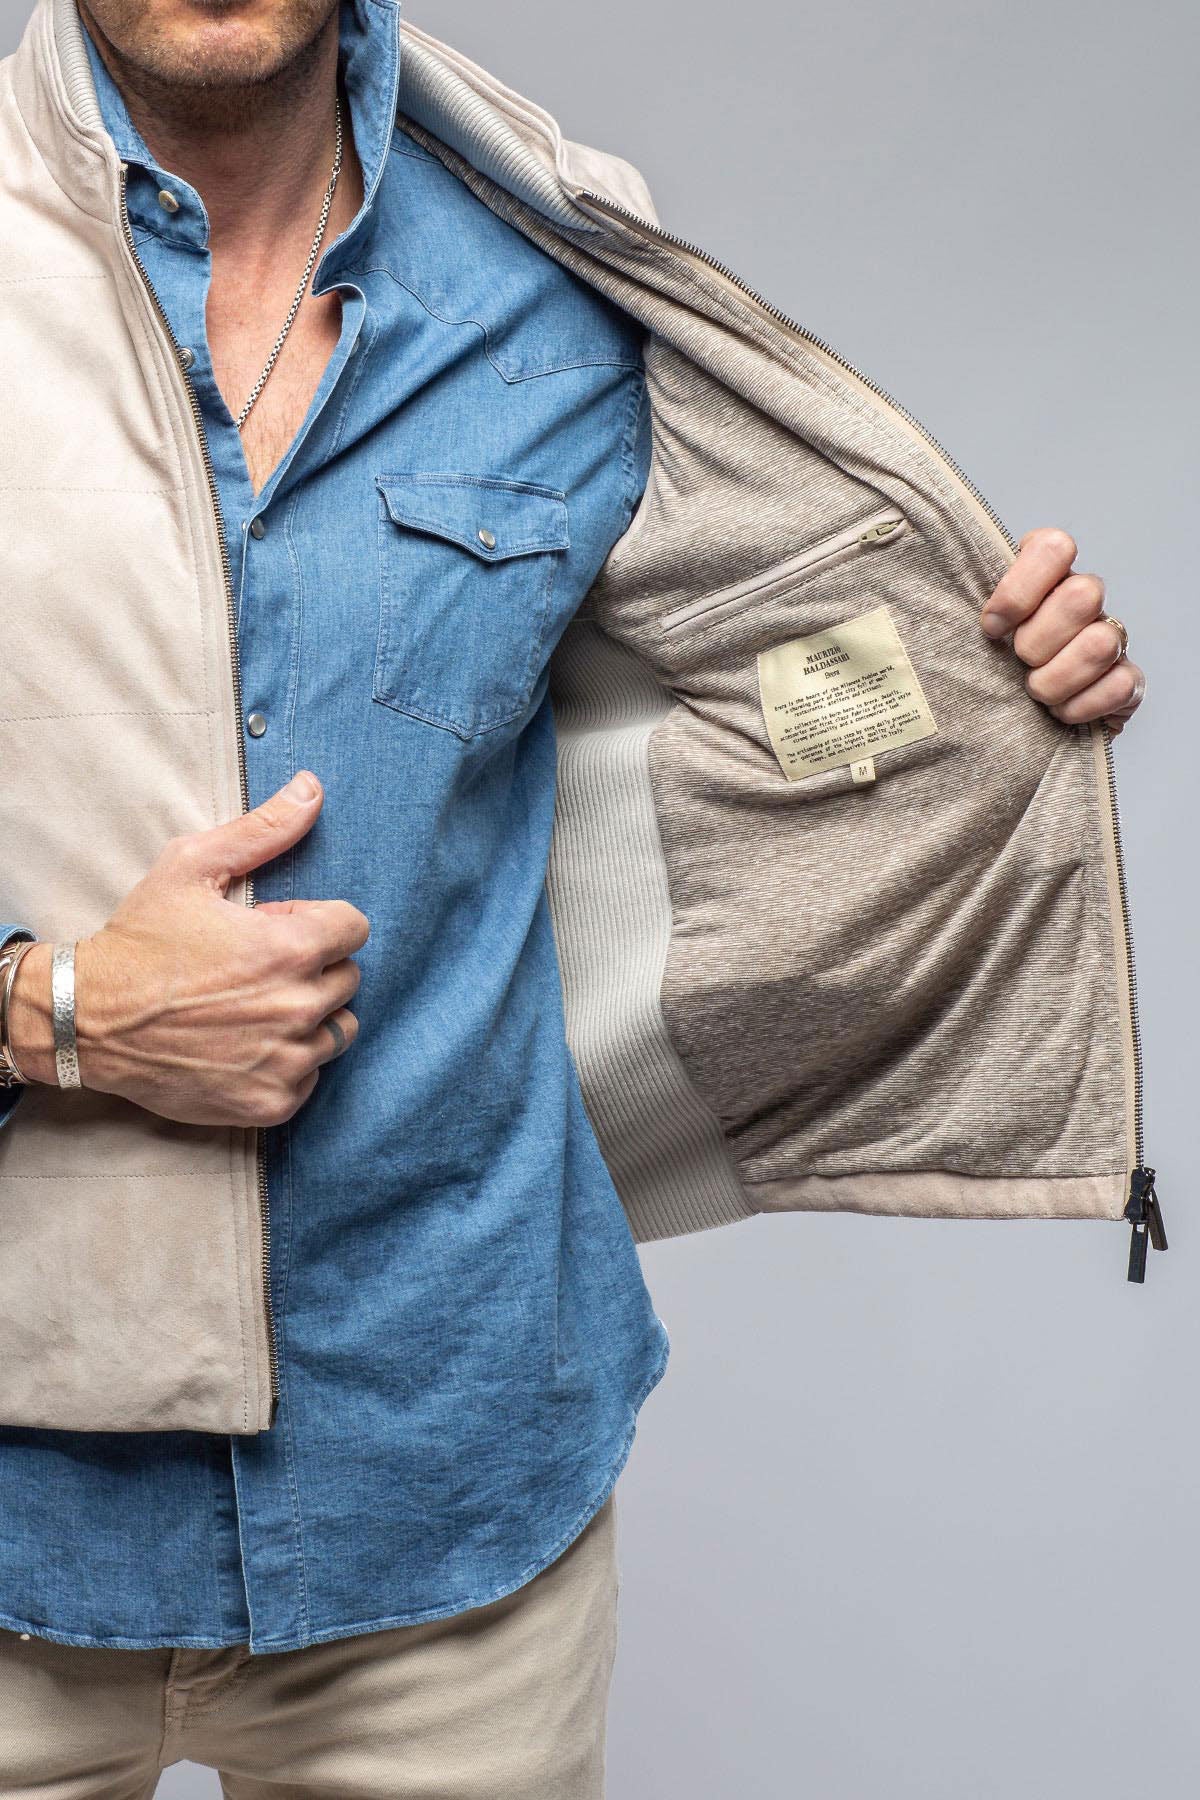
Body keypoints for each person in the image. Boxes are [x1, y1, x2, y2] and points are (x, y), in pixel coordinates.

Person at [0, 0, 1149, 1792]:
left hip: (460, 1511)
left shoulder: (558, 273)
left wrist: (981, 682)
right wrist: (60, 1012)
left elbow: (776, 688)